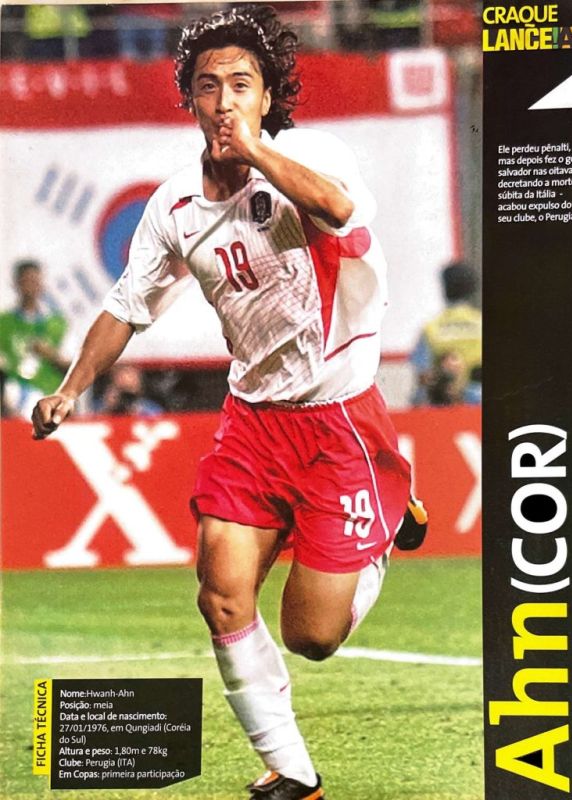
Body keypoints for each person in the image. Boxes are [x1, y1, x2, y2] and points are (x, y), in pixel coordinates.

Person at [32, 6, 422, 797]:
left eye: (241, 85)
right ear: (189, 99)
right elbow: (127, 305)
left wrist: (256, 150)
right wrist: (71, 389)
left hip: (338, 421)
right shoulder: (175, 206)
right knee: (220, 594)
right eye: (207, 86)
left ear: (267, 95)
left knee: (312, 636)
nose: (223, 101)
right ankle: (291, 770)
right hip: (252, 425)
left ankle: (387, 511)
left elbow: (340, 211)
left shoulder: (310, 155)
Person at [1, 259, 69, 418]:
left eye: (35, 281)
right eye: (26, 281)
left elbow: (73, 366)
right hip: (12, 399)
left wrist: (51, 354)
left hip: (51, 397)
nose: (31, 286)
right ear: (17, 284)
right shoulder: (4, 323)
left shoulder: (57, 323)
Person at [410, 260, 482, 405]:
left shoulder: (431, 328)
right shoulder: (480, 324)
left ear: (444, 288)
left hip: (442, 407)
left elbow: (423, 375)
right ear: (473, 288)